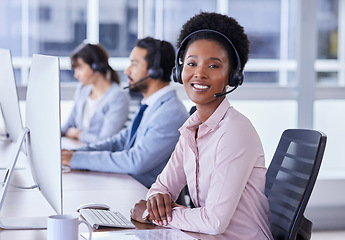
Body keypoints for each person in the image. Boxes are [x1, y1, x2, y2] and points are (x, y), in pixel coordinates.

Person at [130, 12, 273, 239]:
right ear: (179, 72)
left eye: (214, 66)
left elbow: (214, 221)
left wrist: (152, 213)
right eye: (192, 63)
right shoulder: (192, 129)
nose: (199, 73)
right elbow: (161, 187)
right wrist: (156, 200)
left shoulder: (235, 132)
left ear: (232, 76)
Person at [61, 37, 189, 188]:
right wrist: (75, 153)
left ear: (155, 71)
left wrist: (75, 159)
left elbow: (135, 161)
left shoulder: (171, 112)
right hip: (127, 185)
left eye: (134, 64)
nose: (127, 70)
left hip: (145, 196)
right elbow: (119, 141)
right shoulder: (150, 106)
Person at [61, 42, 130, 144]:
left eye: (80, 68)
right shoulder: (83, 89)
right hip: (77, 147)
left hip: (97, 154)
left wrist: (78, 134)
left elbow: (104, 140)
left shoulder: (118, 97)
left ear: (96, 66)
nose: (76, 75)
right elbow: (69, 124)